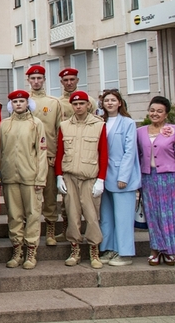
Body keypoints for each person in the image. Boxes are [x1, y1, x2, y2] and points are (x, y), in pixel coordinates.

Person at [137, 96, 175, 266]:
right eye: (152, 110)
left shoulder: (174, 130)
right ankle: (155, 250)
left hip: (169, 179)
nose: (155, 114)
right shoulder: (140, 132)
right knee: (153, 215)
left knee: (169, 215)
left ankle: (169, 251)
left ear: (166, 114)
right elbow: (138, 156)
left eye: (159, 111)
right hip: (148, 178)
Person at [55, 91, 107, 269]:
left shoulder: (99, 125)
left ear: (88, 105)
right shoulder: (64, 125)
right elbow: (60, 151)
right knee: (72, 213)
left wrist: (101, 179)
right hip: (70, 176)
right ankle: (74, 249)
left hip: (90, 176)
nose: (78, 107)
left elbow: (104, 153)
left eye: (82, 104)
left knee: (92, 215)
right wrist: (59, 175)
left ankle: (94, 250)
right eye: (75, 104)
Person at [0, 90, 47, 269]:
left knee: (33, 214)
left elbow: (42, 152)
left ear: (28, 103)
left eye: (22, 101)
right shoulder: (5, 125)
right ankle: (17, 248)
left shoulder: (36, 123)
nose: (18, 104)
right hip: (10, 176)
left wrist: (40, 177)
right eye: (15, 101)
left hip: (31, 176)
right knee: (14, 215)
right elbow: (0, 150)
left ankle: (31, 250)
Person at [99, 89, 141, 267]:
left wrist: (123, 176)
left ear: (119, 103)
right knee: (107, 216)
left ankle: (124, 252)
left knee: (123, 217)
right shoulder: (101, 122)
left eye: (113, 100)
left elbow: (130, 152)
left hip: (122, 177)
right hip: (104, 175)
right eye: (106, 100)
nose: (109, 103)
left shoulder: (128, 123)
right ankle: (109, 249)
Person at [25, 65, 65, 246]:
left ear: (44, 80)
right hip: (27, 156)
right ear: (28, 81)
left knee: (49, 194)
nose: (36, 81)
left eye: (39, 78)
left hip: (48, 155)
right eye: (33, 79)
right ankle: (29, 229)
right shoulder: (22, 101)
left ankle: (50, 229)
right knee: (29, 194)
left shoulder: (54, 102)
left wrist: (56, 153)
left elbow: (59, 130)